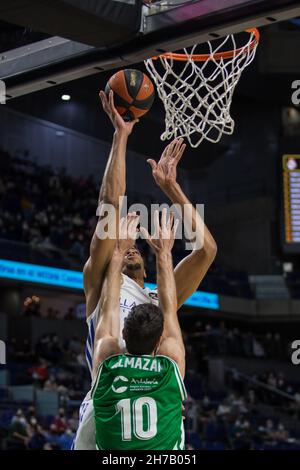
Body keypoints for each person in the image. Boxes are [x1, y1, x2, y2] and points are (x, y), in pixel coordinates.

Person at [73, 91, 217, 449]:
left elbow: (206, 251)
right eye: (126, 247)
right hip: (105, 404)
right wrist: (121, 136)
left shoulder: (158, 300)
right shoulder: (100, 282)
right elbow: (110, 203)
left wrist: (173, 189)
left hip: (152, 410)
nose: (131, 248)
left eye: (136, 247)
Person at [92, 211, 186, 450]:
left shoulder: (108, 356)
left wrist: (117, 251)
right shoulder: (170, 360)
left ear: (123, 335)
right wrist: (164, 252)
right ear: (158, 344)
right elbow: (169, 310)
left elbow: (109, 309)